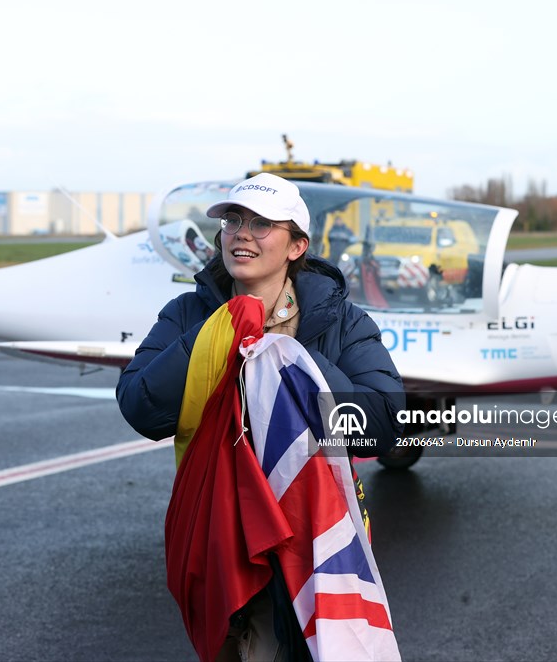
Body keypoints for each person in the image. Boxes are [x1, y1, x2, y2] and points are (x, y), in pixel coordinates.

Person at [117, 172, 405, 661]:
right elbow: (141, 408)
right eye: (233, 221)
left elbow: (382, 421)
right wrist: (215, 337)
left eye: (261, 224)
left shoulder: (341, 320)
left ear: (296, 246)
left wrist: (292, 361)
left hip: (315, 527)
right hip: (224, 531)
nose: (242, 234)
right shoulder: (186, 314)